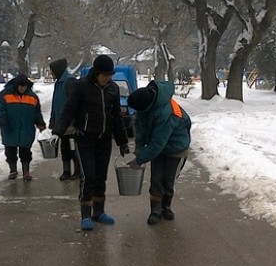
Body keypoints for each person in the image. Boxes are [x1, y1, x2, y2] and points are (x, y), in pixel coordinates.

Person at [51, 55, 130, 231]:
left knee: (101, 176)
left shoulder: (113, 89)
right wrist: (57, 131)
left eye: (110, 75)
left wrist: (122, 141)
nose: (107, 78)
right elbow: (69, 110)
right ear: (96, 73)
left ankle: (99, 212)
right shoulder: (81, 87)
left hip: (104, 139)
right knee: (88, 177)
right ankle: (85, 214)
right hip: (85, 139)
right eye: (104, 75)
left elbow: (116, 117)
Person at [127, 80, 191, 225]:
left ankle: (166, 206)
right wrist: (139, 148)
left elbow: (157, 143)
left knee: (168, 179)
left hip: (176, 148)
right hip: (160, 146)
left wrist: (139, 160)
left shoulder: (166, 113)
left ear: (146, 107)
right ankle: (155, 210)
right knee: (156, 178)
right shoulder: (146, 103)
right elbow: (140, 126)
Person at [0, 74, 46, 181]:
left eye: (25, 86)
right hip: (10, 128)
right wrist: (2, 119)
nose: (22, 88)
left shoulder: (32, 97)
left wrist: (40, 123)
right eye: (20, 86)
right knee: (10, 151)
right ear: (16, 85)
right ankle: (13, 170)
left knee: (26, 151)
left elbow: (37, 112)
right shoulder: (4, 95)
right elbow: (0, 109)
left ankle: (26, 172)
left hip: (26, 128)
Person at [48, 58, 80, 181]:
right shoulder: (59, 82)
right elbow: (55, 104)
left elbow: (74, 103)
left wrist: (73, 120)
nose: (51, 73)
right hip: (61, 123)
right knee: (65, 148)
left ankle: (77, 170)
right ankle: (66, 171)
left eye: (52, 71)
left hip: (71, 123)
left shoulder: (69, 82)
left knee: (74, 148)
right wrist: (53, 121)